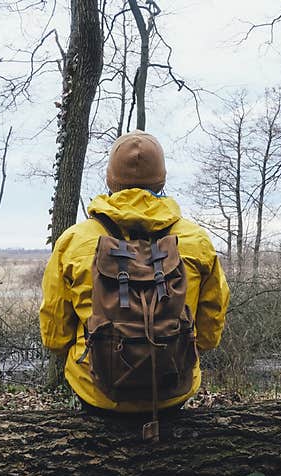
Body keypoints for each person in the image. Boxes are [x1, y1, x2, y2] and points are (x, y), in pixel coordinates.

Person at [39, 130, 229, 419]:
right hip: (172, 391)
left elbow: (55, 335)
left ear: (110, 180)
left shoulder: (74, 241)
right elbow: (210, 328)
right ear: (162, 179)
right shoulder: (195, 240)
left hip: (96, 391)